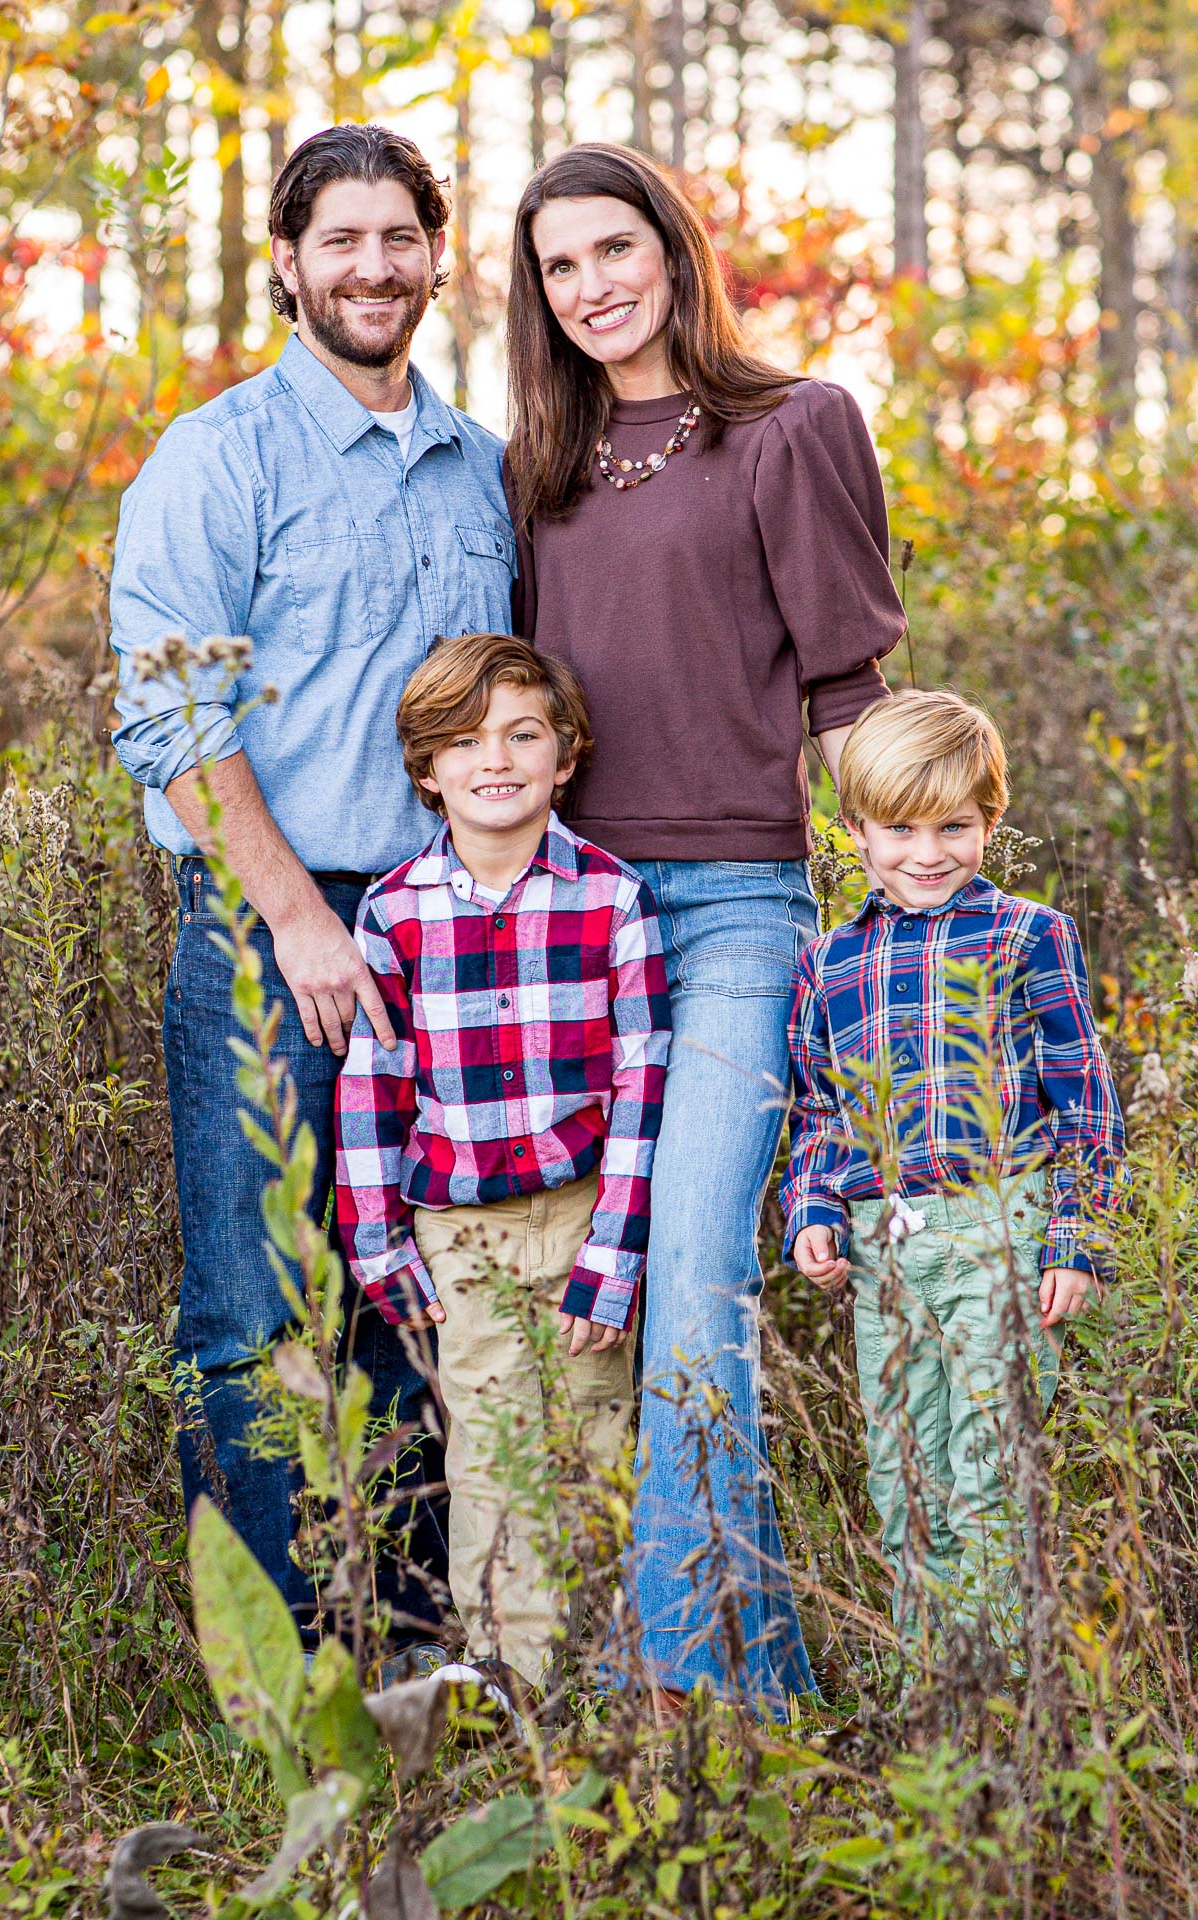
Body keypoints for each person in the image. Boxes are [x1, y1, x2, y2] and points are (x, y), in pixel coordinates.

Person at [504, 140, 909, 1716]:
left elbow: (854, 690)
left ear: (673, 251)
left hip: (740, 913)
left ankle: (665, 1690)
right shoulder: (533, 473)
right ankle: (761, 1685)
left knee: (694, 1282)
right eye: (560, 266)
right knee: (608, 1314)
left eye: (617, 250)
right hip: (575, 932)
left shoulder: (794, 427)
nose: (594, 286)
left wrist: (899, 920)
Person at [108, 124, 515, 1658]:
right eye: (338, 241)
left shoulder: (483, 468)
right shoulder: (219, 457)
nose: (371, 268)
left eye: (397, 238)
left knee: (417, 1306)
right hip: (271, 929)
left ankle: (407, 1660)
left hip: (449, 935)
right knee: (257, 1319)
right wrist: (294, 917)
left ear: (433, 254)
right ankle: (281, 1689)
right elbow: (167, 709)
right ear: (286, 263)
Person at [334, 633, 671, 1709]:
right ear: (424, 769)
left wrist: (614, 1254)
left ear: (564, 757)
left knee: (593, 1432)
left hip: (580, 1216)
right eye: (463, 742)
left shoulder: (610, 898)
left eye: (521, 734)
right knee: (488, 1443)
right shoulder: (391, 913)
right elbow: (371, 1085)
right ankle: (508, 1676)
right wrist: (378, 1241)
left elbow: (639, 1076)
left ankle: (609, 1669)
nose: (495, 759)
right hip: (459, 1232)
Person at [782, 690, 1125, 1651]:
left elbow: (1084, 1095)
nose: (926, 852)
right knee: (903, 1469)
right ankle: (923, 1685)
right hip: (884, 1243)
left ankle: (998, 1685)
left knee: (988, 1460)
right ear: (852, 828)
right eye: (899, 828)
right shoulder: (829, 963)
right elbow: (817, 1108)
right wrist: (812, 1206)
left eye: (955, 826)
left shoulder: (1030, 936)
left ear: (989, 821)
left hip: (1000, 1227)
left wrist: (1078, 1237)